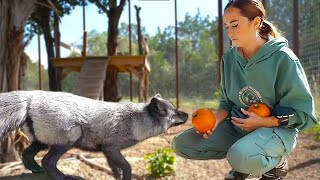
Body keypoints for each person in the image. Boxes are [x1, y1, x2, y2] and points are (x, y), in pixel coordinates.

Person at [172, 0, 318, 179]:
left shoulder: (283, 58)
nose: (230, 32)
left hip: (277, 130)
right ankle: (245, 156)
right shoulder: (229, 59)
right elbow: (226, 102)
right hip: (238, 127)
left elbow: (302, 114)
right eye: (226, 26)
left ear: (256, 23)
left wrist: (264, 122)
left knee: (238, 157)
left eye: (235, 25)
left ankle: (275, 165)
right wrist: (216, 121)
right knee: (182, 144)